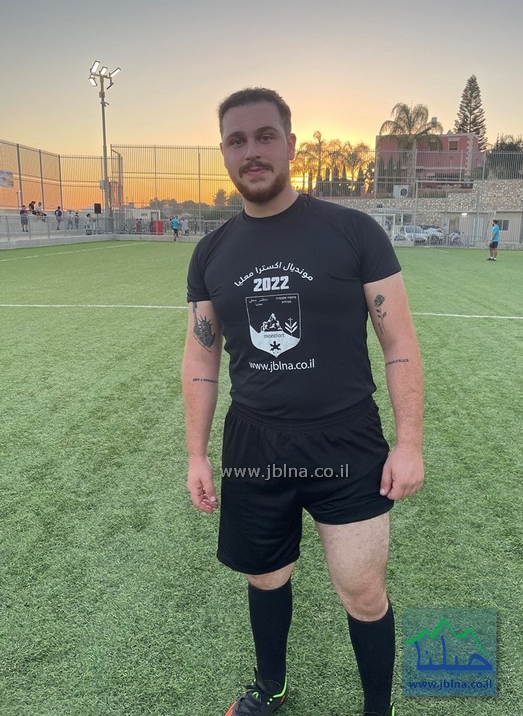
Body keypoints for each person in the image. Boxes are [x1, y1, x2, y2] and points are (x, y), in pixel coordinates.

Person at [183, 88, 424, 716]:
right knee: (265, 575)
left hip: (346, 439)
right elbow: (201, 358)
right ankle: (271, 688)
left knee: (363, 591)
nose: (252, 151)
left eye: (265, 136)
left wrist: (408, 444)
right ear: (224, 153)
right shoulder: (211, 253)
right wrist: (197, 454)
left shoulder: (353, 232)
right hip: (254, 442)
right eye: (237, 140)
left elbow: (399, 342)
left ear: (290, 145)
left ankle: (377, 710)